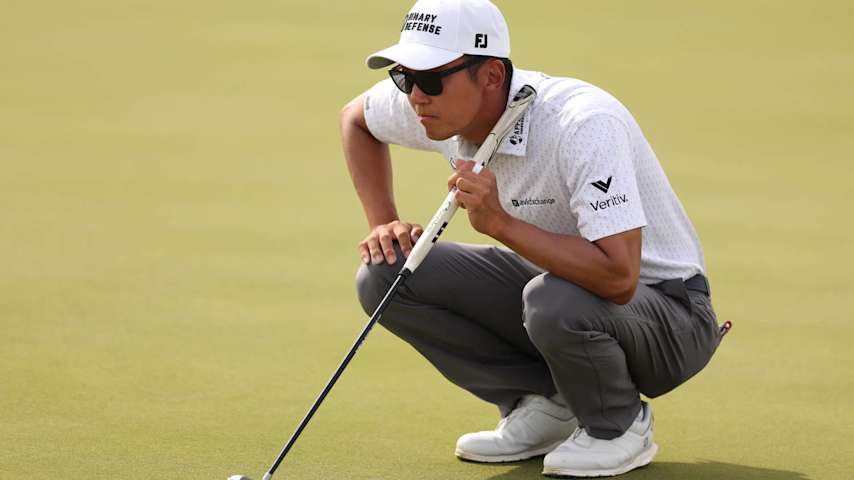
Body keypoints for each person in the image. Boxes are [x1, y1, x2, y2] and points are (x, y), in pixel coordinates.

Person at [339, 0, 724, 477]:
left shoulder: (582, 124)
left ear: (491, 76)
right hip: (557, 289)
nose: (416, 96)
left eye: (431, 80)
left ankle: (618, 426)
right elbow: (355, 119)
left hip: (671, 317)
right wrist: (383, 222)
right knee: (387, 274)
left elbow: (619, 277)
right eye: (404, 77)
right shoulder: (432, 104)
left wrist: (500, 223)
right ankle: (547, 404)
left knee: (551, 299)